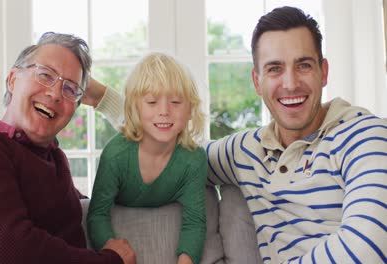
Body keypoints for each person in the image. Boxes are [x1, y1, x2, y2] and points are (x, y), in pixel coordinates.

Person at [85, 6, 387, 263]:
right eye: (274, 69)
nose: (291, 83)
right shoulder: (245, 151)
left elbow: (368, 247)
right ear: (257, 81)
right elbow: (166, 142)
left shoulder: (366, 137)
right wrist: (106, 99)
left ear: (324, 71)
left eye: (304, 65)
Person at [0, 32, 136, 264]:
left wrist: (101, 98)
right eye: (45, 75)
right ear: (13, 80)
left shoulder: (52, 160)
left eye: (70, 89)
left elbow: (158, 135)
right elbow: (10, 253)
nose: (55, 93)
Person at [87, 52, 207, 264]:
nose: (164, 111)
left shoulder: (194, 160)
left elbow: (194, 223)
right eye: (152, 102)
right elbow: (97, 215)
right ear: (135, 107)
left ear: (190, 109)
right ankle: (104, 98)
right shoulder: (116, 154)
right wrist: (114, 253)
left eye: (176, 102)